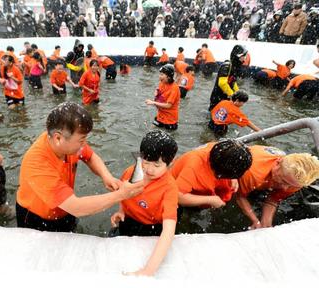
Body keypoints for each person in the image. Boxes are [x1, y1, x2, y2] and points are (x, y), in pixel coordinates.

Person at [16, 102, 143, 232]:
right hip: (38, 218)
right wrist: (121, 195)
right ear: (58, 138)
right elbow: (76, 207)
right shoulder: (37, 163)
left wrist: (107, 176)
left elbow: (90, 157)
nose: (84, 145)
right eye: (81, 140)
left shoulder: (70, 145)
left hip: (64, 210)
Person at [111, 130, 178, 276]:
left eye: (157, 165)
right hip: (128, 219)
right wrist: (121, 209)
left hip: (150, 227)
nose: (149, 169)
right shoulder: (131, 171)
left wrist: (148, 270)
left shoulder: (169, 188)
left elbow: (168, 231)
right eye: (146, 162)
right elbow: (124, 194)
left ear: (170, 163)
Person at [237, 145, 319, 229]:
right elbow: (239, 196)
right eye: (284, 181)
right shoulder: (253, 174)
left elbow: (274, 198)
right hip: (250, 166)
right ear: (277, 163)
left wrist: (266, 223)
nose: (285, 188)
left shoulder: (297, 180)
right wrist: (254, 220)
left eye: (291, 186)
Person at [170, 139, 252, 209]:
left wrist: (233, 178)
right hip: (175, 188)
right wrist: (211, 200)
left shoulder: (221, 150)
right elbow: (178, 196)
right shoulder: (193, 167)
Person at [145, 64, 180, 131]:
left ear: (169, 77)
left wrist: (153, 103)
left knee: (168, 137)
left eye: (162, 75)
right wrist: (156, 91)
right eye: (160, 74)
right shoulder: (162, 82)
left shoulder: (174, 88)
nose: (159, 77)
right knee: (151, 131)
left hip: (170, 120)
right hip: (160, 116)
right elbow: (158, 88)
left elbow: (168, 105)